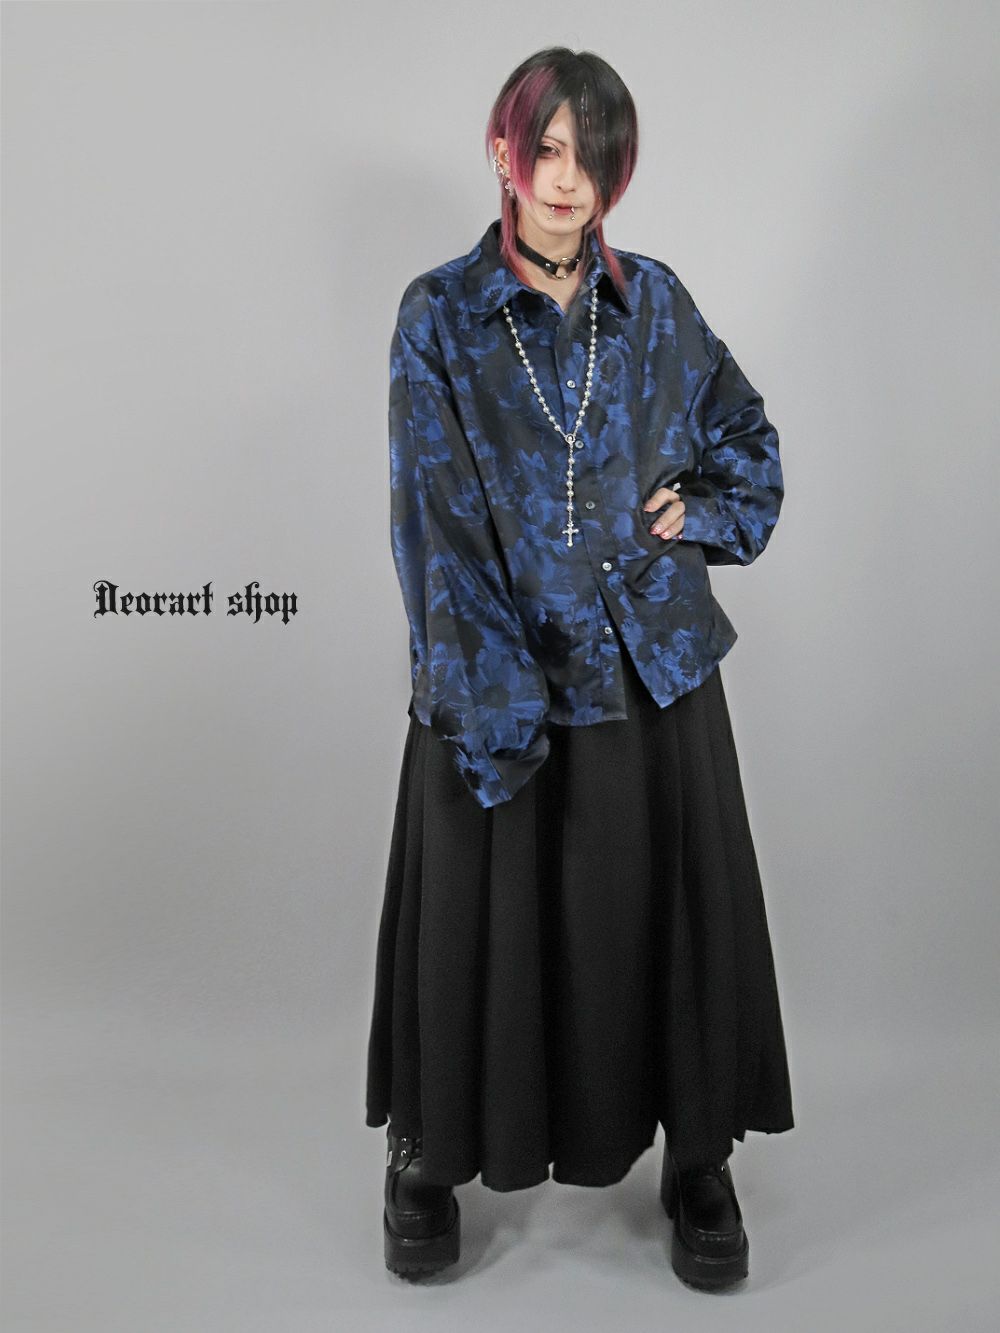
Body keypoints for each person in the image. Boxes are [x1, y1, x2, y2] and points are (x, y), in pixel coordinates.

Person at [365, 46, 795, 1290]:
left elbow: (748, 443)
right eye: (546, 149)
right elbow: (434, 524)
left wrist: (698, 514)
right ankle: (429, 1146)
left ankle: (697, 1152)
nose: (567, 179)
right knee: (476, 924)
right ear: (502, 152)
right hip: (491, 665)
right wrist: (494, 704)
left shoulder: (654, 302)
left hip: (650, 669)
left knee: (664, 922)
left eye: (592, 157)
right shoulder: (438, 315)